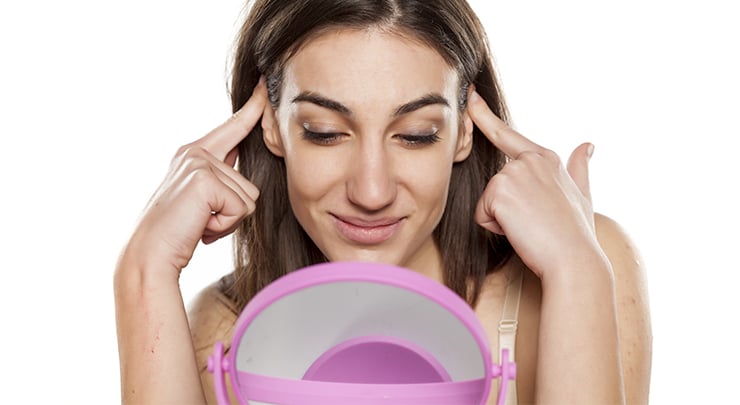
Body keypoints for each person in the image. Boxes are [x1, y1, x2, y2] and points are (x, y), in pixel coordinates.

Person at [114, 0, 652, 403]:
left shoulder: (581, 267)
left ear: (465, 132)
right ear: (273, 129)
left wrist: (577, 270)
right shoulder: (227, 331)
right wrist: (143, 270)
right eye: (325, 132)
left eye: (416, 134)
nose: (371, 192)